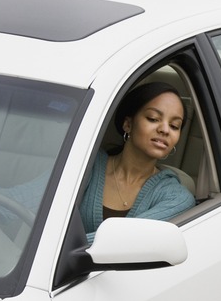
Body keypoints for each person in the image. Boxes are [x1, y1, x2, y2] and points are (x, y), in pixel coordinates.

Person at [79, 82, 195, 243]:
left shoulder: (177, 198)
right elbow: (33, 207)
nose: (165, 130)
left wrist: (62, 252)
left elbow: (122, 241)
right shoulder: (85, 165)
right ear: (128, 124)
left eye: (175, 126)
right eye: (153, 118)